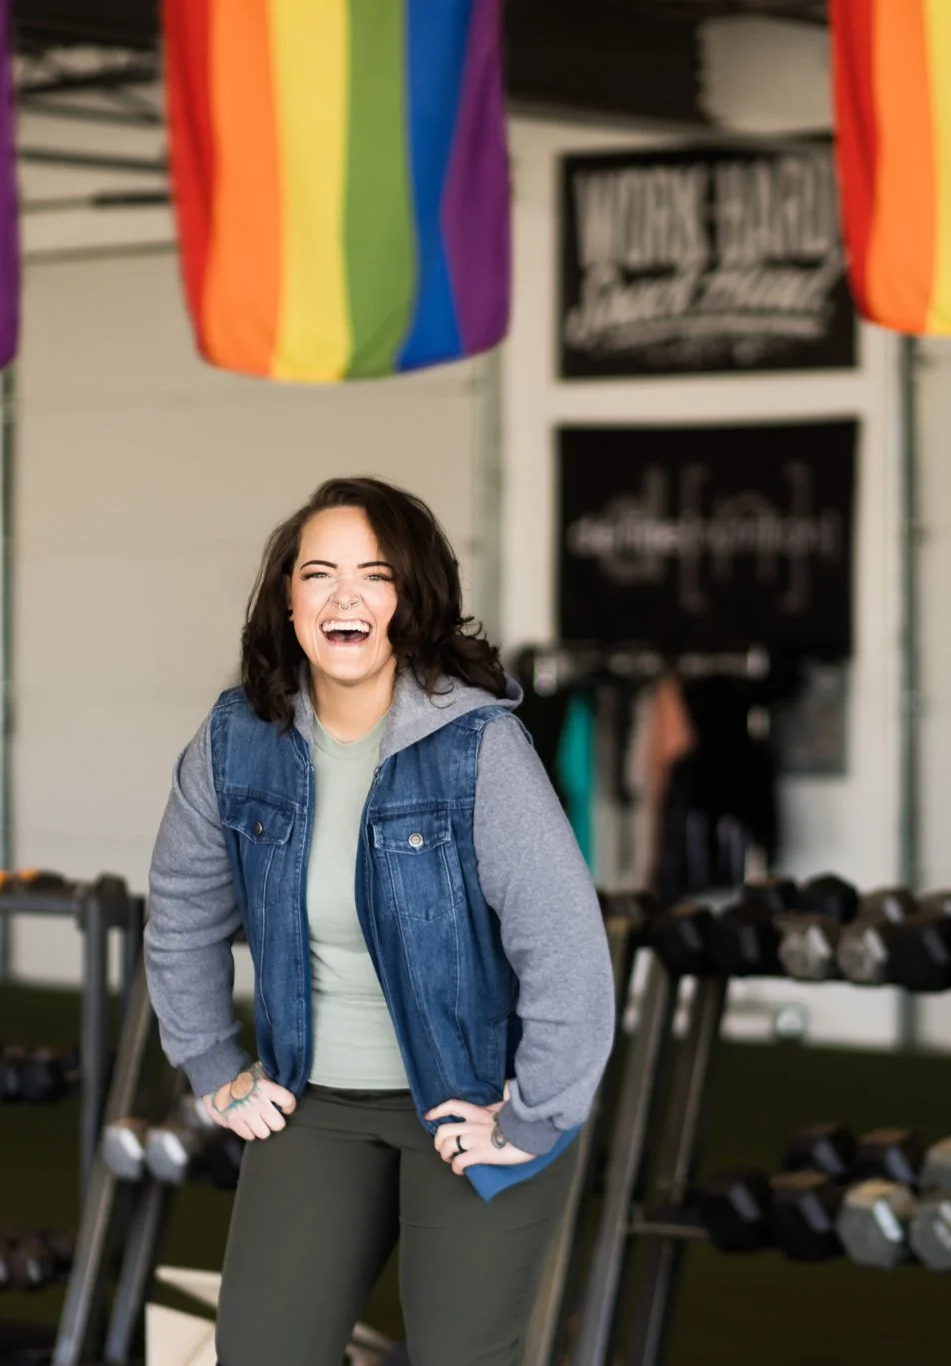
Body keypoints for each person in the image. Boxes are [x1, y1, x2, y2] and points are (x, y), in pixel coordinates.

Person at [145, 476, 616, 1366]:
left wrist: (531, 1117)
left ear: (413, 598)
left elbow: (565, 947)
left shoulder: (479, 747)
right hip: (314, 1101)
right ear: (288, 602)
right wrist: (212, 1063)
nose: (345, 597)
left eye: (376, 575)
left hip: (471, 1099)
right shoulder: (236, 738)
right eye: (319, 575)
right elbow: (180, 910)